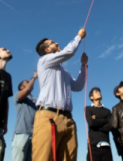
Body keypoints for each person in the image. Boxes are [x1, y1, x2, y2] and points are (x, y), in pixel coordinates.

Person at [32, 28, 88, 161]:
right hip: (48, 117)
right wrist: (78, 37)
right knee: (43, 158)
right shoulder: (44, 61)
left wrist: (83, 65)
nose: (57, 43)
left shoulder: (65, 72)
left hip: (68, 120)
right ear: (47, 50)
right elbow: (68, 52)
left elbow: (78, 86)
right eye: (52, 43)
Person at [12, 71, 38, 161]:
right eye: (27, 82)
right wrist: (34, 78)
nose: (30, 83)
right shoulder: (17, 95)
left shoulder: (35, 100)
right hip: (21, 134)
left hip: (34, 136)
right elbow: (27, 90)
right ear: (21, 87)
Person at [85, 87, 114, 161]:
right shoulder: (88, 109)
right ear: (91, 97)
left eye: (99, 91)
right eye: (96, 92)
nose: (99, 93)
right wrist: (106, 120)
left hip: (106, 146)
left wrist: (96, 120)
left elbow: (110, 126)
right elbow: (91, 123)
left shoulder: (107, 111)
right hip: (93, 146)